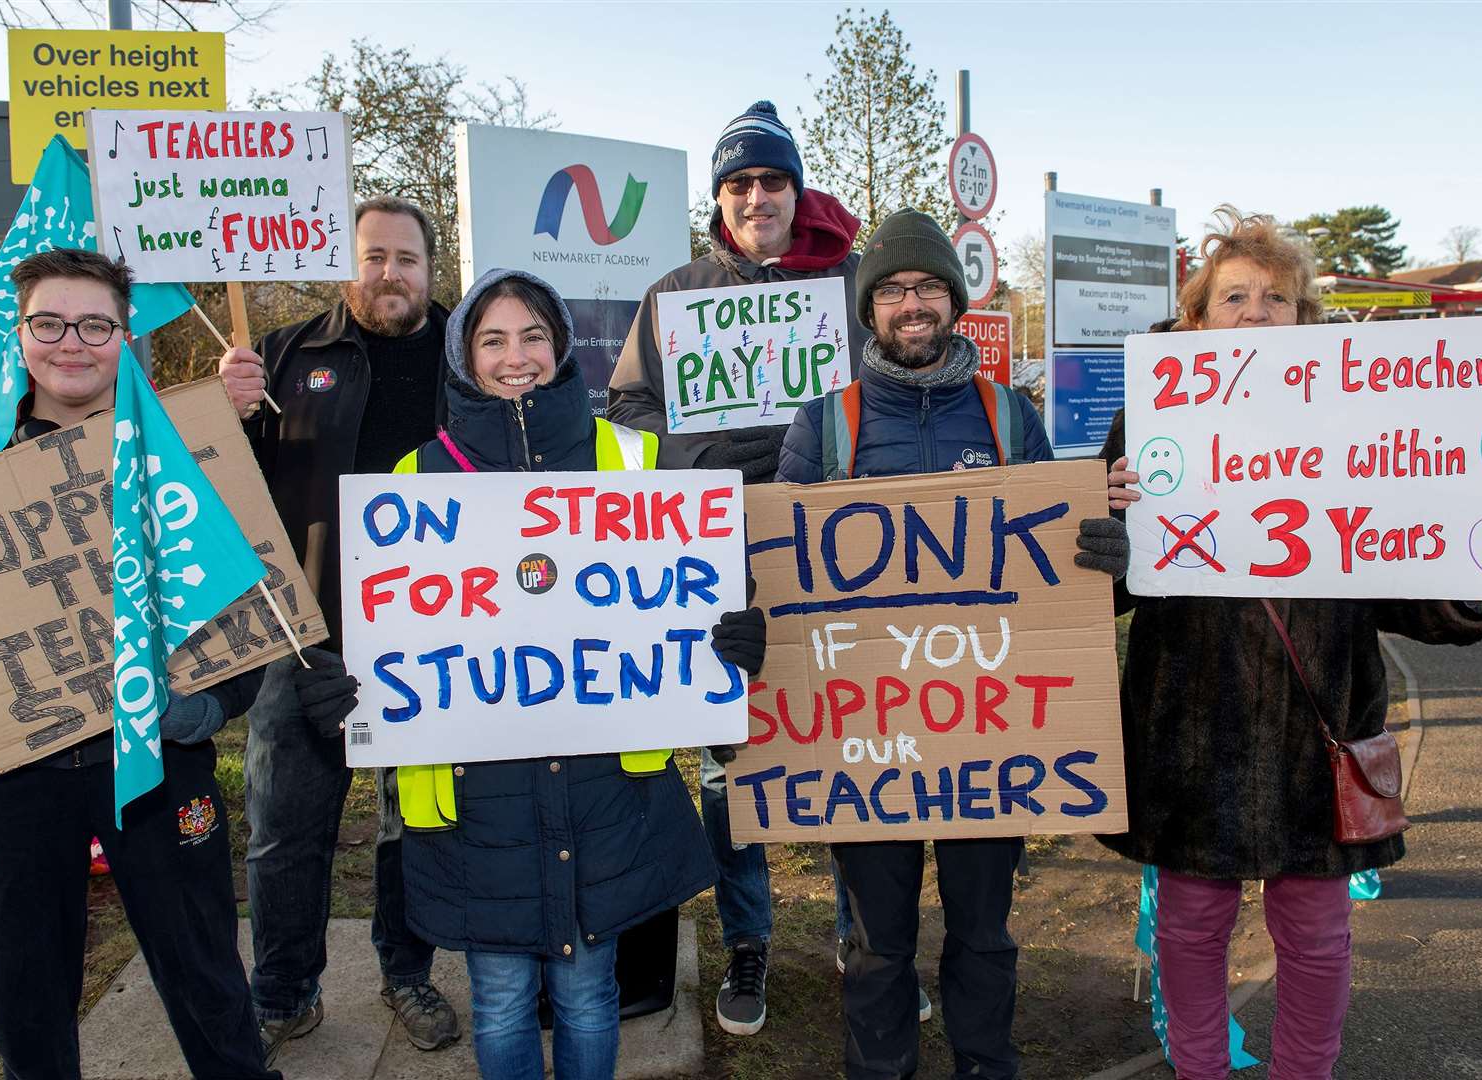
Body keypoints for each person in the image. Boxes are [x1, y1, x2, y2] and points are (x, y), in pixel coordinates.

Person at [1102, 207, 1482, 1080]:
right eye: (1233, 297)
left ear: (1303, 320)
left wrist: (1476, 589)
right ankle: (1198, 1070)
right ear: (1196, 318)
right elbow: (1107, 589)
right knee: (1189, 928)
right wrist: (1107, 533)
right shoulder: (1146, 423)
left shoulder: (1355, 423)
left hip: (1319, 725)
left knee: (1316, 934)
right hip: (1190, 731)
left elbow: (1402, 579)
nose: (1254, 314)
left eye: (1275, 298)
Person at [0, 248, 340, 1079]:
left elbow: (250, 602)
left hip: (159, 763)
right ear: (18, 334)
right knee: (26, 987)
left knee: (205, 970)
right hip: (10, 774)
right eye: (50, 323)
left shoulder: (184, 447)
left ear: (124, 337)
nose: (73, 342)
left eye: (95, 324)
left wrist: (208, 708)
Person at [774, 208, 1128, 1080]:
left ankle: (985, 1065)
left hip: (988, 734)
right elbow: (772, 575)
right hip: (864, 739)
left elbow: (1061, 584)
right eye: (891, 290)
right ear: (869, 310)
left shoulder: (1013, 419)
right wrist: (750, 622)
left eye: (928, 286)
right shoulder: (823, 426)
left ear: (954, 300)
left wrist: (1109, 565)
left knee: (982, 934)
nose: (911, 304)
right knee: (876, 946)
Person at [389, 268, 758, 1078]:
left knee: (591, 994)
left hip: (602, 788)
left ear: (559, 348)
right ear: (465, 357)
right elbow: (390, 638)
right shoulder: (415, 481)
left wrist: (732, 634)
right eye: (492, 339)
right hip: (477, 793)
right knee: (499, 996)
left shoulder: (637, 461)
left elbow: (702, 585)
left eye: (531, 337)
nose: (514, 356)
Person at [607, 98, 867, 1036]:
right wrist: (700, 459)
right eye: (739, 183)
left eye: (772, 179)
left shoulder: (848, 284)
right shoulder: (675, 293)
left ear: (796, 191)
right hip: (717, 551)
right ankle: (747, 938)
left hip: (834, 550)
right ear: (720, 199)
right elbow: (627, 408)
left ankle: (862, 933)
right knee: (734, 753)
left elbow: (884, 394)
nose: (756, 196)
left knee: (849, 736)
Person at [217, 196, 457, 1061]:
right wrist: (229, 414)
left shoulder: (465, 358)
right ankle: (283, 992)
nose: (389, 273)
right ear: (343, 265)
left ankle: (407, 973)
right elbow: (227, 495)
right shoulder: (280, 355)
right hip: (303, 634)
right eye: (373, 257)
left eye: (406, 258)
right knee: (286, 830)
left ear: (433, 269)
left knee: (414, 821)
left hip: (431, 637)